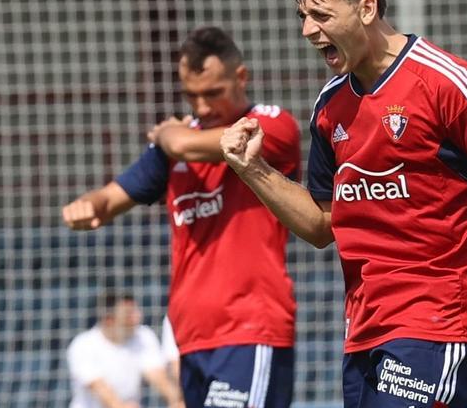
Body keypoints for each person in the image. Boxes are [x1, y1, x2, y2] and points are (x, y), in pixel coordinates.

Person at [220, 0, 467, 408]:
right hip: (363, 330)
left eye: (322, 15)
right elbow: (320, 225)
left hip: (436, 322)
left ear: (367, 8)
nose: (308, 31)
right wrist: (250, 168)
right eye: (303, 17)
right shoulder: (330, 105)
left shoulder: (445, 83)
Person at [62, 26, 299, 408]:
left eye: (212, 93)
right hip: (190, 338)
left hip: (249, 329)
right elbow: (110, 197)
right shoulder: (174, 143)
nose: (202, 107)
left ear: (241, 78)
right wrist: (87, 206)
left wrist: (170, 134)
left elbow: (186, 145)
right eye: (191, 96)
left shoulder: (268, 125)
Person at [66, 291, 184, 408]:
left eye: (136, 311)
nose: (137, 318)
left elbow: (158, 377)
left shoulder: (144, 336)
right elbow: (101, 390)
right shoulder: (83, 345)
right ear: (109, 319)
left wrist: (176, 401)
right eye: (129, 315)